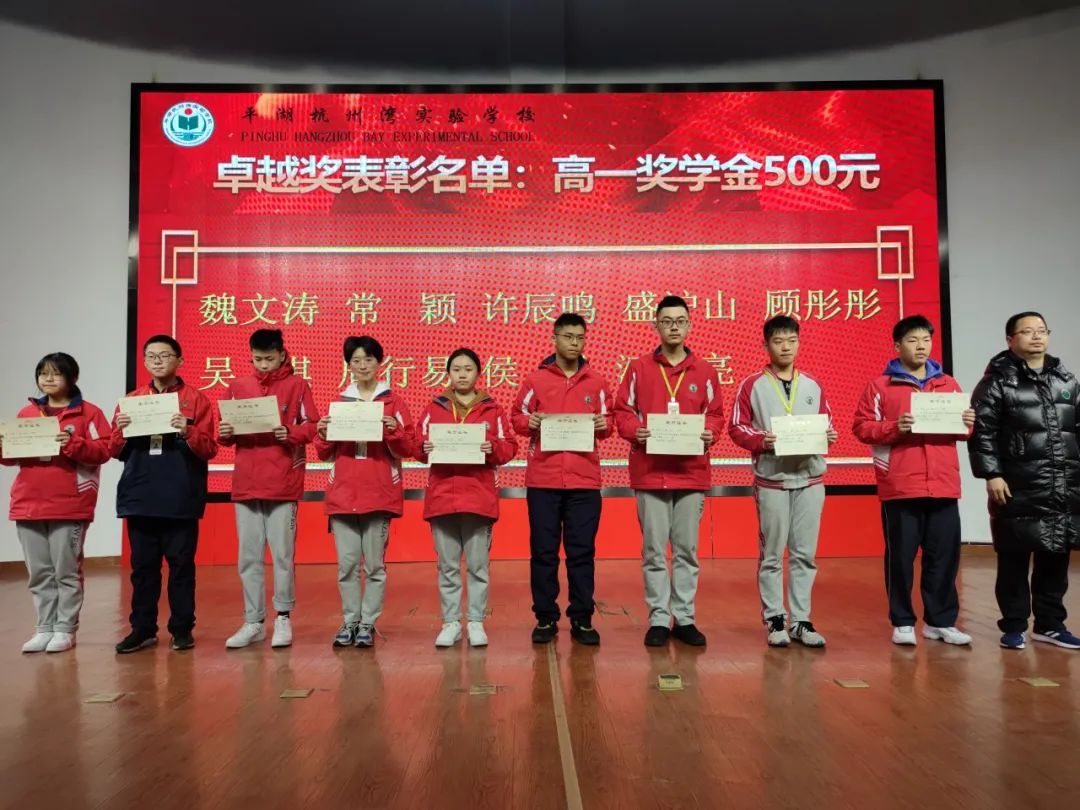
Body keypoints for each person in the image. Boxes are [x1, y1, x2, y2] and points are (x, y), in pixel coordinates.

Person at [852, 315, 974, 646]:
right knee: (901, 558)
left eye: (926, 340)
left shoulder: (948, 384)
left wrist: (968, 422)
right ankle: (903, 621)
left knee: (944, 557)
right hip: (901, 485)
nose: (921, 346)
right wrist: (896, 427)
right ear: (897, 346)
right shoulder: (880, 386)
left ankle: (940, 621)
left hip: (943, 484)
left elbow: (965, 430)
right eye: (912, 340)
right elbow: (862, 427)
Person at [614, 295, 724, 647]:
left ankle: (685, 617)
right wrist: (636, 431)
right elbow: (622, 411)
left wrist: (710, 433)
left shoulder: (705, 371)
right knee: (653, 550)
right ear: (655, 326)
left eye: (680, 321)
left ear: (689, 324)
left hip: (691, 473)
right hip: (651, 473)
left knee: (686, 550)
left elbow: (716, 414)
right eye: (666, 321)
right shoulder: (638, 368)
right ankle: (659, 618)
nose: (673, 327)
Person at [969, 311, 1080, 650]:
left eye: (1042, 330)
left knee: (1056, 553)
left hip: (1062, 482)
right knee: (1014, 557)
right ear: (1010, 340)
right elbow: (982, 433)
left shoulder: (1065, 380)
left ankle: (1050, 624)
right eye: (1028, 331)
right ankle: (1014, 625)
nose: (1036, 337)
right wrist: (992, 474)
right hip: (1016, 483)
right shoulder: (997, 382)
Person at [729, 316, 837, 648]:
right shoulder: (752, 385)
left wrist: (828, 435)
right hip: (772, 481)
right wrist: (763, 440)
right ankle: (775, 618)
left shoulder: (813, 385)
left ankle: (801, 620)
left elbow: (827, 423)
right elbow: (737, 428)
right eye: (778, 341)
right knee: (772, 554)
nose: (786, 347)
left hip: (810, 480)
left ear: (799, 343)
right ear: (766, 345)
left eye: (791, 340)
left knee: (805, 554)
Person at [112, 335, 218, 653]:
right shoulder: (132, 400)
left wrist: (188, 431)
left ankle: (182, 629)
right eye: (151, 356)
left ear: (180, 360)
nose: (157, 361)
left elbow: (209, 449)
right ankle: (142, 629)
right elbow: (112, 450)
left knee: (181, 567)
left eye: (165, 355)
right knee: (143, 568)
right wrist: (121, 431)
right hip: (140, 495)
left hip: (180, 496)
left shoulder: (196, 400)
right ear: (144, 361)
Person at [512, 313, 613, 646]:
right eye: (568, 336)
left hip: (584, 481)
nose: (574, 342)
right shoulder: (535, 380)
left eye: (580, 337)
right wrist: (530, 422)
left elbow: (609, 421)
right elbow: (517, 417)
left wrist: (604, 425)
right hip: (543, 480)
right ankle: (545, 617)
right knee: (543, 552)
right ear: (554, 338)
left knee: (582, 552)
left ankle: (582, 618)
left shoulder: (596, 382)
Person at [2, 352, 111, 653]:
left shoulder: (89, 413)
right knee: (39, 572)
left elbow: (105, 450)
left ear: (72, 378)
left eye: (56, 373)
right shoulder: (27, 413)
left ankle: (65, 629)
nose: (48, 379)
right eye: (43, 373)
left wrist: (73, 444)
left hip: (70, 504)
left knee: (66, 570)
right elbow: (11, 458)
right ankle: (44, 628)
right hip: (28, 503)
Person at [219, 329, 319, 650]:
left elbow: (313, 426)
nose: (263, 365)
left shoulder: (298, 385)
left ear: (282, 354)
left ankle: (283, 618)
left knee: (282, 555)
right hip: (246, 483)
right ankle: (253, 621)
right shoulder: (237, 387)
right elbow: (223, 435)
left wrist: (289, 432)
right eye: (258, 359)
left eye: (269, 359)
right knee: (248, 557)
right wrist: (225, 432)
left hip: (282, 482)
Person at [315, 336, 414, 649]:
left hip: (379, 494)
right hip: (343, 496)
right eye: (356, 360)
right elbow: (323, 453)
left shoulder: (394, 403)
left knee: (374, 566)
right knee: (346, 566)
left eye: (368, 359)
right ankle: (350, 621)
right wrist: (323, 433)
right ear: (349, 365)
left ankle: (368, 623)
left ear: (379, 363)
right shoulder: (340, 404)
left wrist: (394, 431)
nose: (362, 366)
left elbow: (409, 448)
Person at [416, 348, 516, 648]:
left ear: (478, 374)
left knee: (477, 566)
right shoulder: (434, 408)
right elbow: (416, 445)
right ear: (448, 373)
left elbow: (509, 448)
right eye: (456, 369)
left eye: (468, 369)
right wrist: (424, 448)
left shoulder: (492, 410)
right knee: (447, 567)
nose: (462, 374)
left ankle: (475, 622)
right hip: (442, 498)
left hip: (478, 498)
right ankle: (450, 623)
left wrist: (492, 448)